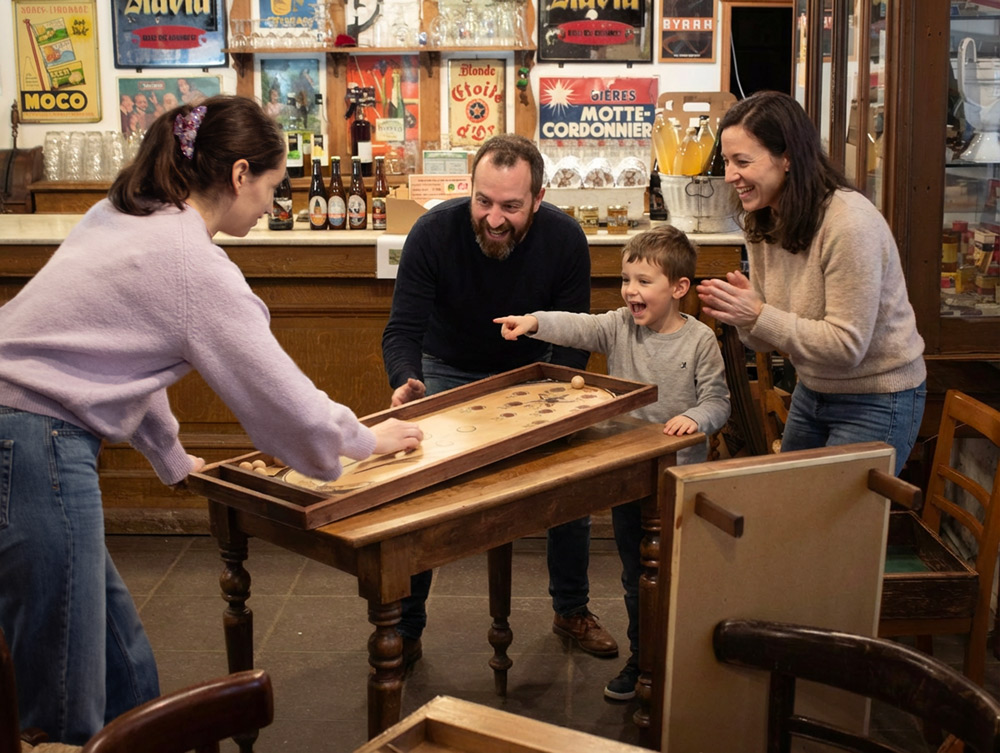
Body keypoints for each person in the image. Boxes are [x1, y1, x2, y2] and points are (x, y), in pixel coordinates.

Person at [0, 95, 422, 744]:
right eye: (274, 188)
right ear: (239, 174)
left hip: (22, 436)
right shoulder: (191, 262)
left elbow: (117, 361)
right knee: (61, 702)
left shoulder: (121, 215)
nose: (273, 204)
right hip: (38, 445)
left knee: (121, 660)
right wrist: (367, 441)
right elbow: (281, 398)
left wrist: (172, 457)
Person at [382, 133, 618, 668]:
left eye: (510, 206)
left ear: (538, 198)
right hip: (446, 369)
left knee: (569, 484)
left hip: (536, 374)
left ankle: (571, 608)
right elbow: (401, 330)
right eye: (483, 201)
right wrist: (406, 379)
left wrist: (558, 400)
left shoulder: (565, 238)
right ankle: (407, 625)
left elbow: (575, 335)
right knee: (422, 496)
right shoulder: (433, 232)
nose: (493, 218)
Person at [494, 224, 731, 701]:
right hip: (630, 478)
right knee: (635, 576)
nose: (630, 292)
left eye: (644, 281)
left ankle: (686, 664)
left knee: (681, 576)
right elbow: (579, 325)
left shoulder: (700, 341)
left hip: (680, 480)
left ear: (679, 288)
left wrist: (693, 417)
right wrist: (534, 321)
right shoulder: (620, 325)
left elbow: (718, 401)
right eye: (626, 280)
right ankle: (642, 660)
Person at [696, 90, 925, 476]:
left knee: (834, 532)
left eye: (742, 161)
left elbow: (846, 346)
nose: (729, 175)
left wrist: (758, 314)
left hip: (878, 396)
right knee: (794, 515)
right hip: (814, 389)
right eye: (727, 161)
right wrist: (746, 318)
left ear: (787, 158)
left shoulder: (849, 224)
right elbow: (769, 339)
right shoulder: (763, 218)